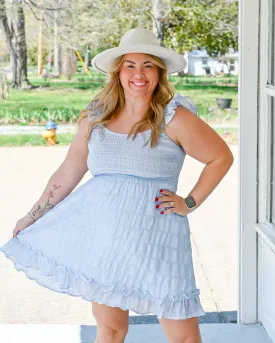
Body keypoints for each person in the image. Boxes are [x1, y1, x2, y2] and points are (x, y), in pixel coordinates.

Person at [0, 28, 234, 343]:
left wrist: (190, 202)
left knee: (183, 337)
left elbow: (220, 157)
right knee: (110, 330)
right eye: (130, 65)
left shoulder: (174, 118)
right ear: (118, 72)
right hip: (107, 237)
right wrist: (33, 215)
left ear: (160, 72)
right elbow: (68, 171)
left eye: (148, 65)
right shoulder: (96, 119)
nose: (139, 74)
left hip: (158, 238)